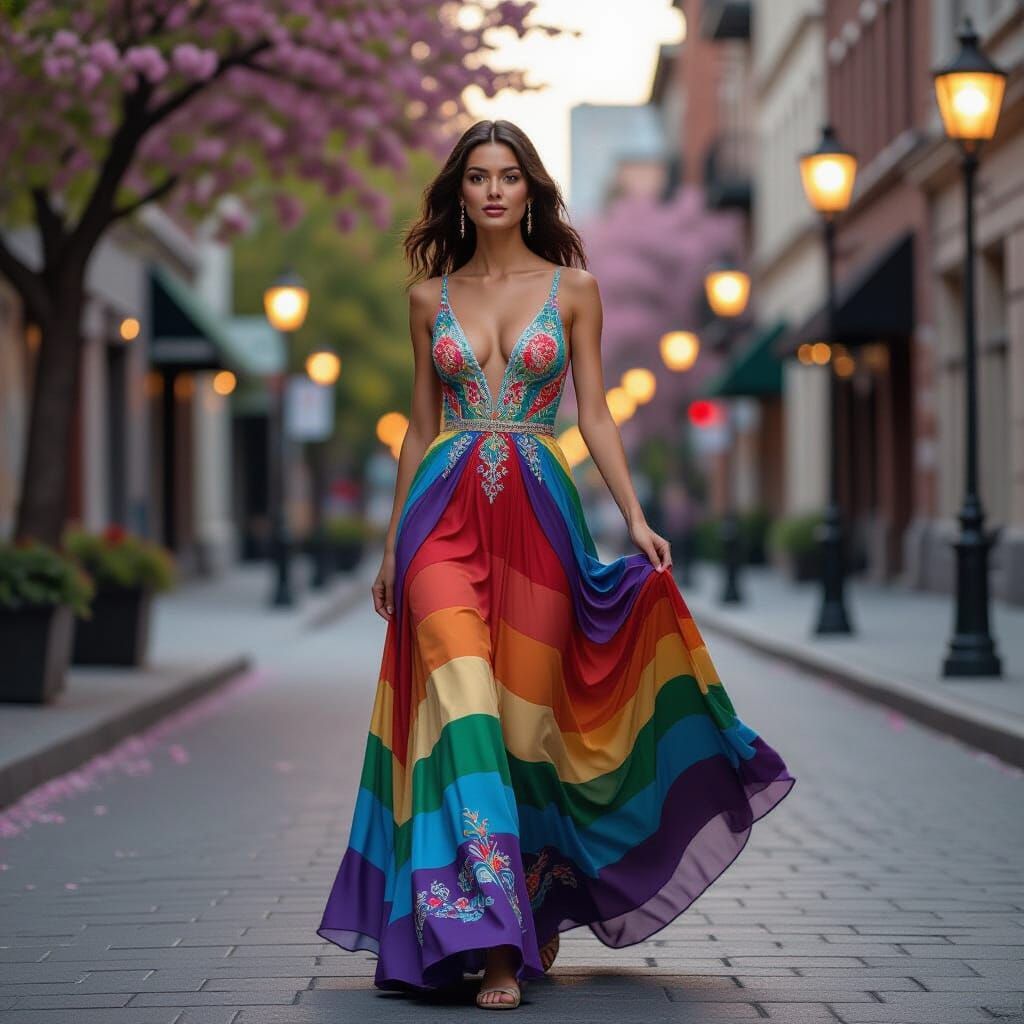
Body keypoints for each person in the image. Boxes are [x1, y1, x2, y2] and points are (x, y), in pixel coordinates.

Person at [316, 119, 796, 1010]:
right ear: (457, 193)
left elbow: (600, 414)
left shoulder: (576, 289)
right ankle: (485, 940)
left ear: (531, 189)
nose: (493, 190)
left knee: (522, 731)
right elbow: (420, 427)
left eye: (508, 176)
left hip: (539, 516)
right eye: (476, 177)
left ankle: (512, 927)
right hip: (442, 520)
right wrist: (391, 541)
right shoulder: (428, 298)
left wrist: (637, 518)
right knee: (460, 710)